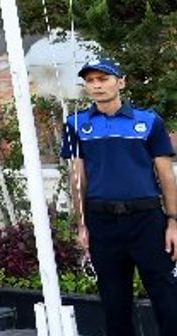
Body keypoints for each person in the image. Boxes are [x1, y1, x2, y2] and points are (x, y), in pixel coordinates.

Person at [62, 58, 177, 336]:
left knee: (167, 297)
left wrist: (173, 222)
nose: (97, 85)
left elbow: (166, 175)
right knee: (114, 303)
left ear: (121, 82)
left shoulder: (148, 121)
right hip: (102, 222)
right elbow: (78, 179)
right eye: (90, 81)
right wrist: (81, 225)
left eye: (103, 79)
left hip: (147, 220)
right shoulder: (76, 124)